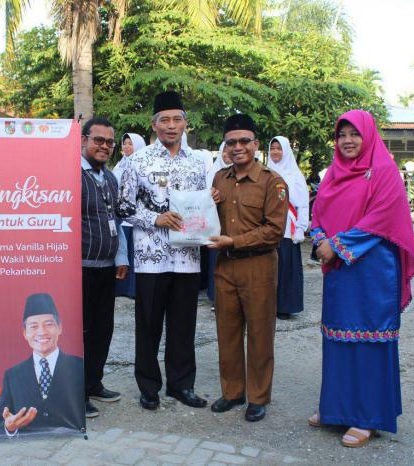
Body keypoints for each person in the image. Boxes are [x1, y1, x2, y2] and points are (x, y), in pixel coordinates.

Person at [308, 110, 414, 447]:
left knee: (369, 340)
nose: (347, 141)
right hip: (341, 271)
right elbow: (318, 212)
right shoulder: (334, 173)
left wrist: (336, 245)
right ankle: (336, 410)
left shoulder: (384, 171)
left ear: (367, 135)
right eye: (341, 135)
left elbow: (381, 219)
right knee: (337, 338)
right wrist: (320, 239)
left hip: (372, 272)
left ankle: (367, 418)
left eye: (354, 134)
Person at [118, 91, 214, 410]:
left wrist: (210, 200)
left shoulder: (198, 163)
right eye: (165, 120)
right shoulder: (138, 161)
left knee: (183, 325)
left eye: (177, 119)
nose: (171, 126)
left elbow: (201, 205)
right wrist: (155, 218)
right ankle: (149, 387)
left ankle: (181, 385)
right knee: (148, 326)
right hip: (151, 259)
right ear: (154, 124)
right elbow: (122, 206)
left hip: (188, 258)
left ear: (186, 123)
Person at [208, 114, 288, 422]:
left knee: (259, 333)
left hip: (259, 266)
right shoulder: (219, 179)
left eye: (244, 141)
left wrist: (234, 241)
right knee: (227, 331)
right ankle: (232, 392)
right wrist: (206, 202)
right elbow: (206, 220)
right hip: (225, 266)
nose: (237, 147)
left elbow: (274, 231)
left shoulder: (272, 181)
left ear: (255, 144)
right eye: (231, 142)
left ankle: (258, 396)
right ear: (225, 147)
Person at [79, 117, 129, 418]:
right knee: (81, 332)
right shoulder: (70, 175)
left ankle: (94, 382)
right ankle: (78, 392)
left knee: (102, 330)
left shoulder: (110, 178)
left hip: (106, 267)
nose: (105, 146)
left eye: (110, 142)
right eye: (98, 140)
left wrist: (121, 257)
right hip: (80, 269)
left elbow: (116, 221)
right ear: (83, 139)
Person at [0, 293, 85, 438]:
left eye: (49, 324)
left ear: (59, 328)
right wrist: (9, 427)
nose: (42, 332)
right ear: (25, 333)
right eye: (33, 326)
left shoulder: (79, 366)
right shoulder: (13, 375)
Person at [267, 136, 309, 319]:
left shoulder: (295, 175)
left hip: (287, 229)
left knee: (286, 268)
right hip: (268, 228)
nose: (275, 152)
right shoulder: (264, 172)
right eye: (272, 148)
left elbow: (303, 204)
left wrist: (301, 227)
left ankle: (284, 306)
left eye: (279, 148)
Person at [113, 132, 146, 299]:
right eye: (124, 143)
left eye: (130, 143)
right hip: (121, 219)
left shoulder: (143, 166)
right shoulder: (119, 165)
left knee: (135, 254)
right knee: (122, 253)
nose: (126, 147)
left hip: (136, 218)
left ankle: (134, 290)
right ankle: (121, 288)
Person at [206, 142, 231, 307]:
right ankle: (216, 297)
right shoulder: (214, 174)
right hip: (215, 224)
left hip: (232, 226)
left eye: (229, 151)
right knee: (216, 262)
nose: (226, 155)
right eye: (224, 152)